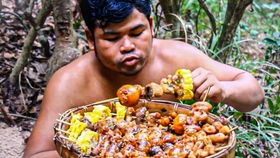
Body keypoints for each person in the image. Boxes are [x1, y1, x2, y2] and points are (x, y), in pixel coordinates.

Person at [23, 0, 264, 157]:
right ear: (90, 38)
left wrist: (223, 89)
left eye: (137, 32)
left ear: (150, 25)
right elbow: (35, 155)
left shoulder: (178, 57)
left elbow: (254, 95)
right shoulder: (70, 82)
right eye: (111, 38)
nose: (127, 46)